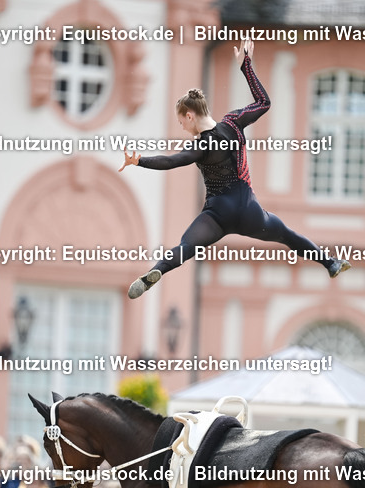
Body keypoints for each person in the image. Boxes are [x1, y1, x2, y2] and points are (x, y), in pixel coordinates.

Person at [119, 39, 349, 299]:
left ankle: (157, 271)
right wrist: (246, 66)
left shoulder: (201, 145)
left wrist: (140, 161)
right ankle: (329, 263)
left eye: (181, 121)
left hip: (217, 215)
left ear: (190, 115)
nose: (182, 127)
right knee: (286, 234)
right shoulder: (233, 122)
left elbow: (172, 161)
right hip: (249, 210)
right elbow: (264, 102)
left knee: (186, 246)